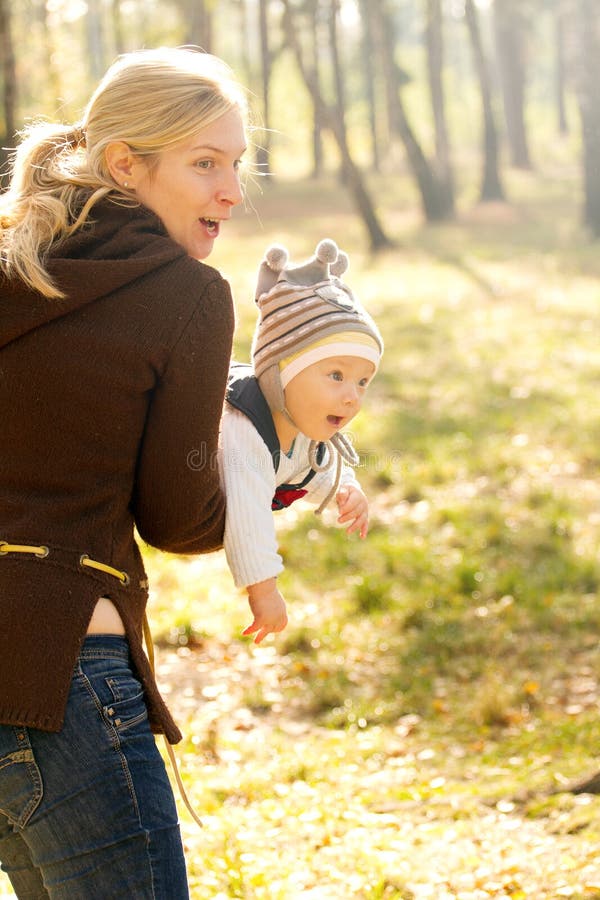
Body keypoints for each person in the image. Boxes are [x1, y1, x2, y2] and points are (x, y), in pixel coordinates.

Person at [0, 47, 248, 898]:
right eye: (205, 162)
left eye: (238, 165)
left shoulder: (11, 263)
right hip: (62, 675)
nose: (231, 191)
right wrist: (260, 456)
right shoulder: (187, 294)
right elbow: (181, 521)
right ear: (123, 165)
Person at [221, 239, 384, 644]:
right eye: (336, 375)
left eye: (363, 381)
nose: (352, 395)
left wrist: (347, 489)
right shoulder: (244, 425)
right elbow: (246, 511)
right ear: (280, 372)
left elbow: (316, 467)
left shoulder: (302, 428)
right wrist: (264, 590)